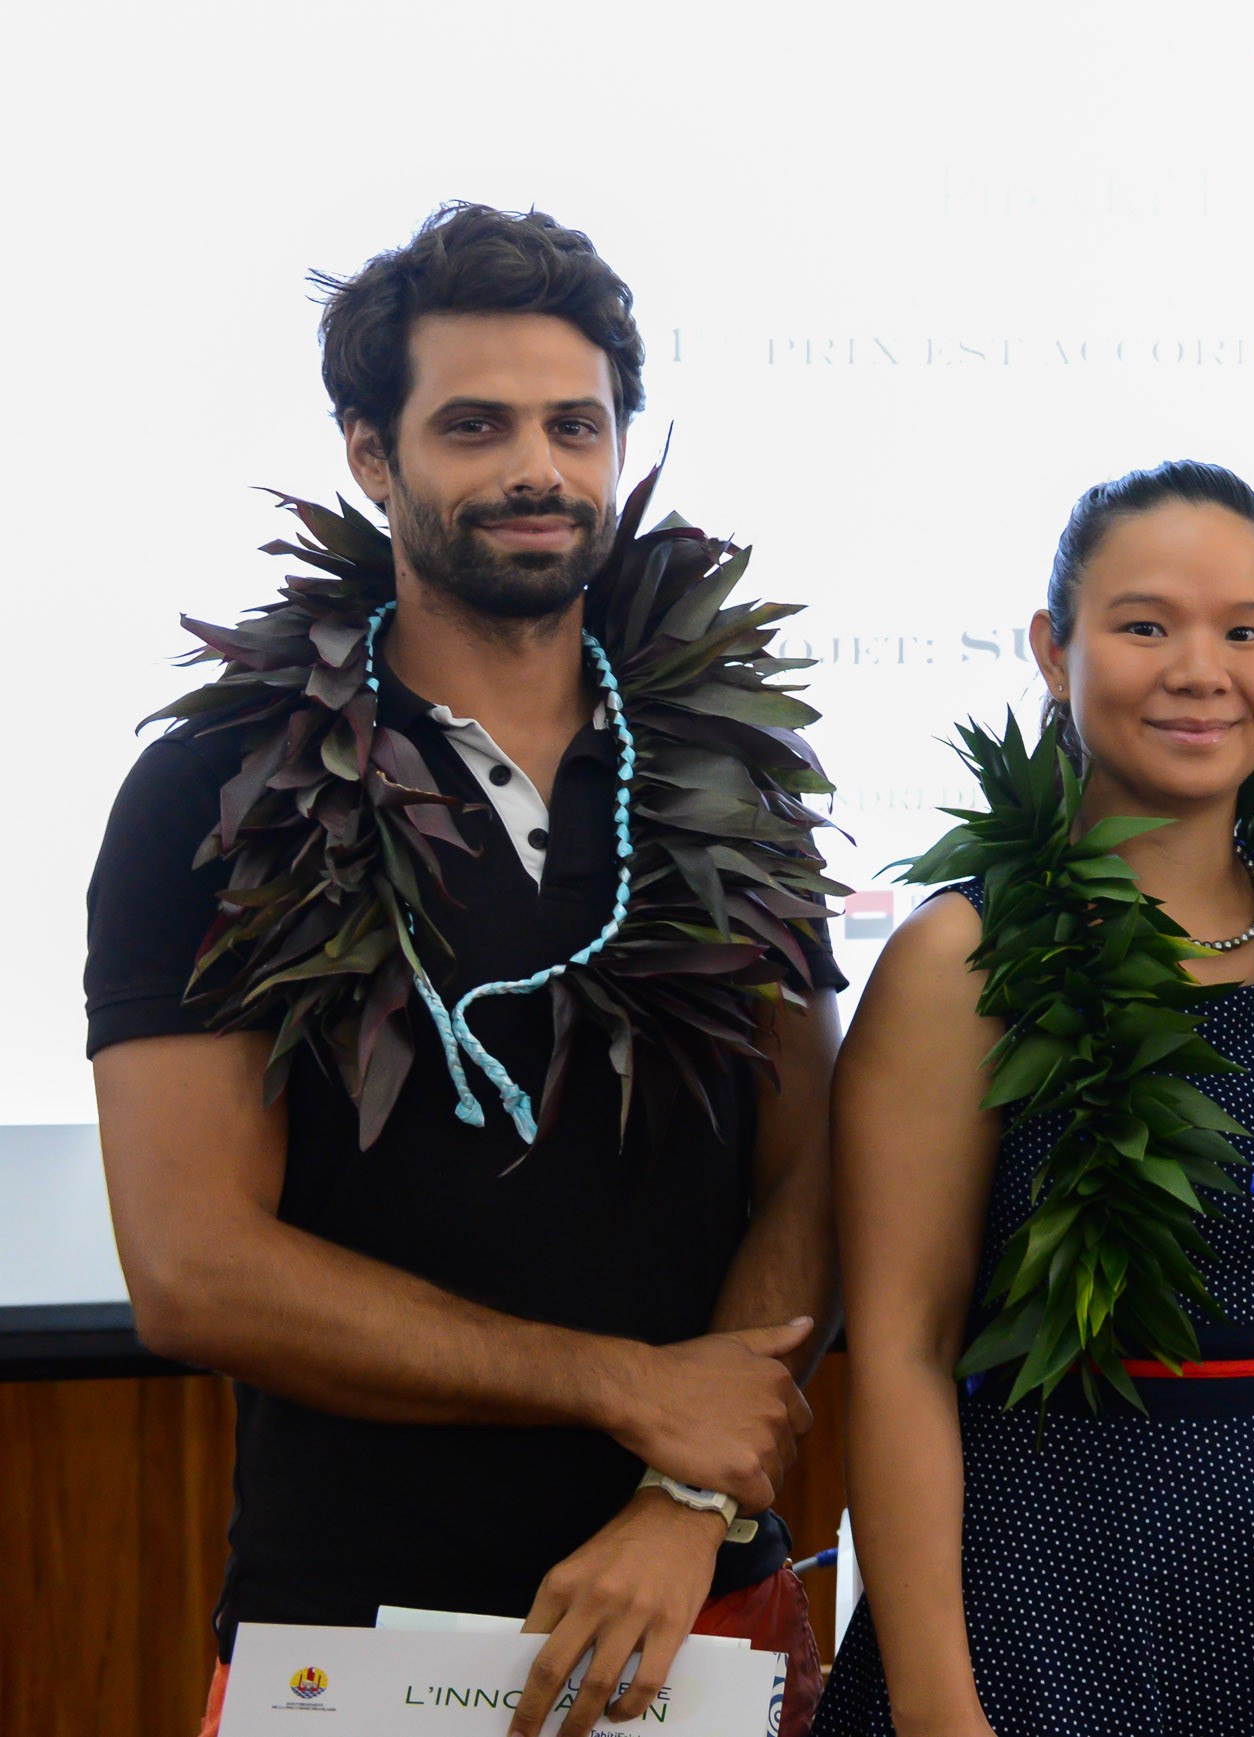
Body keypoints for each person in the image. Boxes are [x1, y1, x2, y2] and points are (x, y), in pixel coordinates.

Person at [85, 204, 847, 1737]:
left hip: (697, 1604)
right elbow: (190, 1271)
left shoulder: (730, 770)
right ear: (371, 455)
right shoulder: (214, 788)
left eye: (577, 425)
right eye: (474, 426)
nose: (536, 471)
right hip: (358, 1625)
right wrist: (622, 1385)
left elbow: (814, 1172)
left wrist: (680, 1493)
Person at [817, 461, 1254, 1737]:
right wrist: (936, 1708)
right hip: (1036, 1592)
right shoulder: (962, 961)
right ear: (1051, 649)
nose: (1200, 670)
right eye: (1145, 626)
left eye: (1243, 632)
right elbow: (900, 1354)